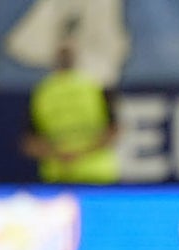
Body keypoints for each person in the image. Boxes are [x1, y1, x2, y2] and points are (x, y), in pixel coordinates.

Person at [20, 24, 120, 185]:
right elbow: (30, 142)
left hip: (76, 177)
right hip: (80, 177)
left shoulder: (44, 92)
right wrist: (76, 155)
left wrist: (62, 156)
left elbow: (114, 131)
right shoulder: (94, 86)